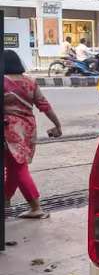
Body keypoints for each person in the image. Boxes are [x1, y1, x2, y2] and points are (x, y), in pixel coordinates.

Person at [3, 49, 62, 219]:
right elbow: (44, 105)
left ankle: (36, 207)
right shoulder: (30, 81)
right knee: (15, 167)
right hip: (28, 127)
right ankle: (6, 201)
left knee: (18, 167)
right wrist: (57, 125)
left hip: (10, 129)